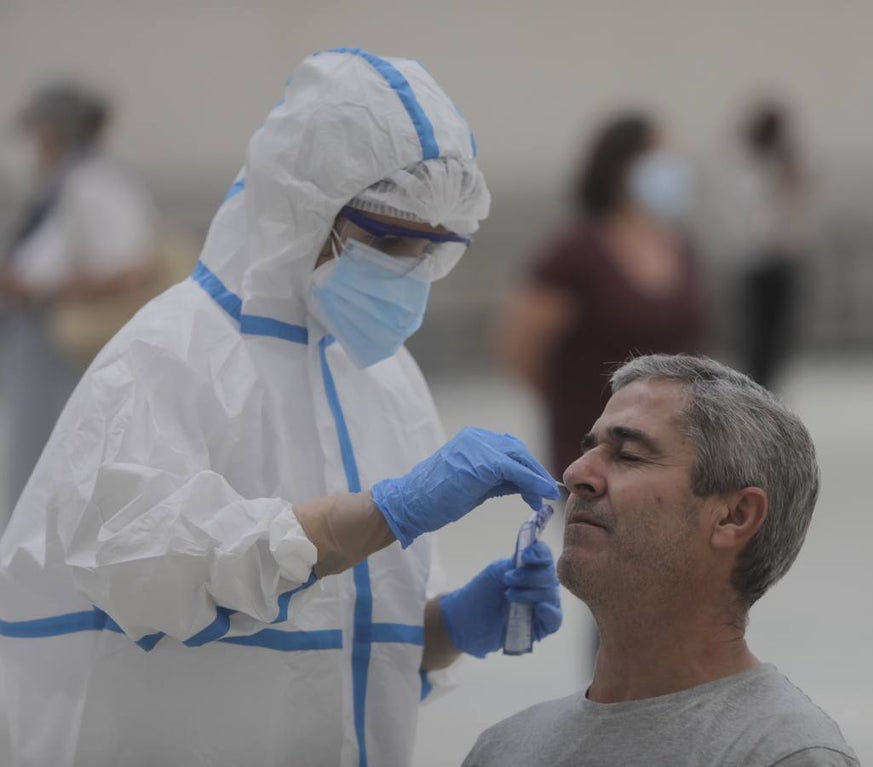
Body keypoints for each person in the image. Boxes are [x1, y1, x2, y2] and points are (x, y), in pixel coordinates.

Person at [0, 49, 563, 767]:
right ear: (304, 208)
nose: (411, 274)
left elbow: (344, 653)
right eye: (390, 241)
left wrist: (447, 624)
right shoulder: (168, 355)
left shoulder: (387, 379)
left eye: (435, 249)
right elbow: (152, 573)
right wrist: (378, 514)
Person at [464, 354, 859, 767]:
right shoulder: (504, 749)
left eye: (628, 455)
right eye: (589, 448)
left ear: (733, 516)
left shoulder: (780, 755)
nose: (575, 472)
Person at [493, 113, 709, 477]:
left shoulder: (679, 243)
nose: (672, 168)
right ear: (622, 166)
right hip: (598, 437)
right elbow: (518, 347)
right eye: (659, 156)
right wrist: (573, 400)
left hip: (676, 435)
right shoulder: (573, 250)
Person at [0, 82, 157, 531]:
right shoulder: (65, 182)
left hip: (71, 342)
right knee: (33, 457)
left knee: (64, 459)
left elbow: (129, 270)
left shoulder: (97, 182)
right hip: (42, 339)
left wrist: (39, 288)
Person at [700, 100, 812, 390]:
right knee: (754, 332)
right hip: (752, 259)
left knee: (776, 332)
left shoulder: (785, 162)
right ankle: (754, 385)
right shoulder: (742, 164)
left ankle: (769, 384)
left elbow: (796, 208)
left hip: (781, 256)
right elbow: (739, 212)